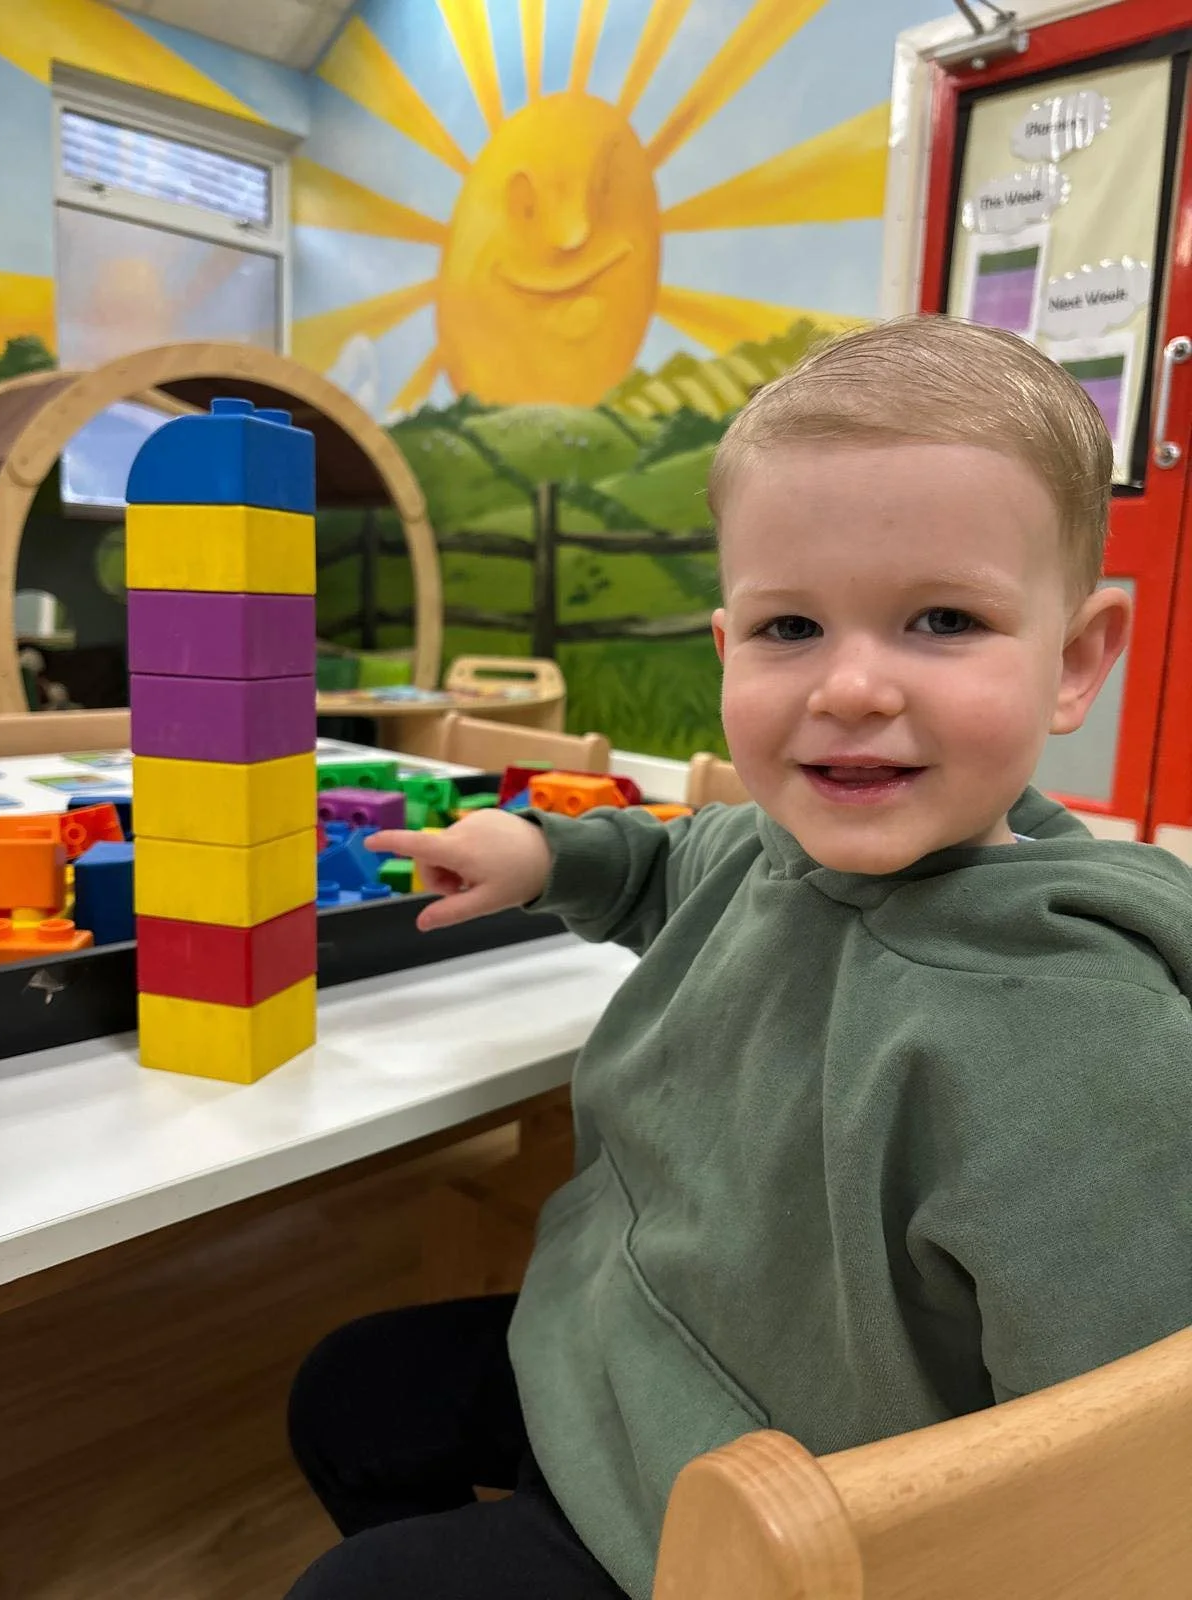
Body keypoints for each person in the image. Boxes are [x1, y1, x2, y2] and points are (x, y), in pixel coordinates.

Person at [284, 316, 1192, 1600]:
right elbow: (679, 858)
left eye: (942, 618)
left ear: (1076, 660)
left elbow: (1113, 1471)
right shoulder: (780, 846)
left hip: (792, 1520)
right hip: (635, 1354)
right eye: (790, 630)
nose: (853, 687)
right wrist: (549, 859)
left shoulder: (1083, 1041)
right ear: (728, 650)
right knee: (350, 1395)